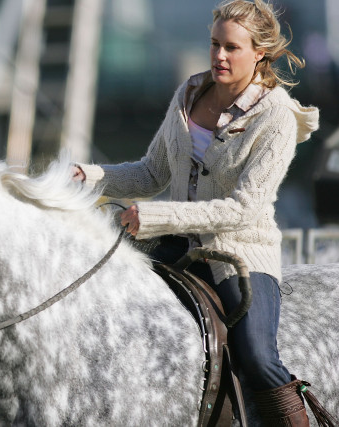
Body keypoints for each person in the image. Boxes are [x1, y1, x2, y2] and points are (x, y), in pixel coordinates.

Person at [73, 0, 322, 424]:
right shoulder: (188, 92)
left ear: (259, 51)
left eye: (231, 48)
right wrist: (89, 176)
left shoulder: (276, 115)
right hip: (177, 246)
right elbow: (151, 173)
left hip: (241, 256)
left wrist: (154, 218)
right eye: (214, 45)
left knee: (259, 357)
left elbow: (243, 210)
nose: (219, 56)